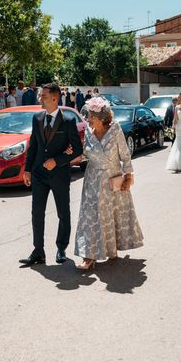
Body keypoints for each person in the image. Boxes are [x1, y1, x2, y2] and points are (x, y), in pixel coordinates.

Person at [74, 98, 143, 269]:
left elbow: (125, 155)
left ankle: (111, 249)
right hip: (92, 181)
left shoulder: (115, 130)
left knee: (112, 215)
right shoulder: (89, 133)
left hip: (112, 179)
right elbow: (85, 153)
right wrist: (73, 157)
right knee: (90, 218)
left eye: (90, 116)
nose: (88, 120)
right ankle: (88, 257)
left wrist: (129, 176)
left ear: (101, 118)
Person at [20, 83, 83, 266]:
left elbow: (77, 149)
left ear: (55, 98)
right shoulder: (37, 118)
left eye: (44, 96)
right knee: (37, 212)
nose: (40, 98)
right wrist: (27, 170)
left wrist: (58, 160)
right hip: (39, 174)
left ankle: (61, 248)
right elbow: (34, 146)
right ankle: (38, 251)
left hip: (59, 175)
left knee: (63, 213)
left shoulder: (68, 121)